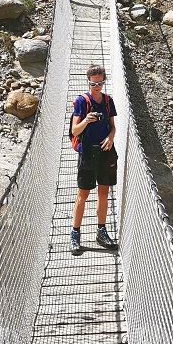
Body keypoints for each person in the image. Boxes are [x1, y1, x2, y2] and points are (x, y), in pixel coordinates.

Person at [70, 64, 118, 252]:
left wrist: (111, 137)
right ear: (88, 81)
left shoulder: (108, 101)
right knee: (83, 194)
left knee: (104, 193)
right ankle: (75, 234)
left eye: (100, 83)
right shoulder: (82, 102)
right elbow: (75, 130)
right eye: (93, 83)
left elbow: (112, 126)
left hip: (106, 151)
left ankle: (101, 231)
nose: (97, 86)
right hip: (88, 152)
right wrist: (86, 120)